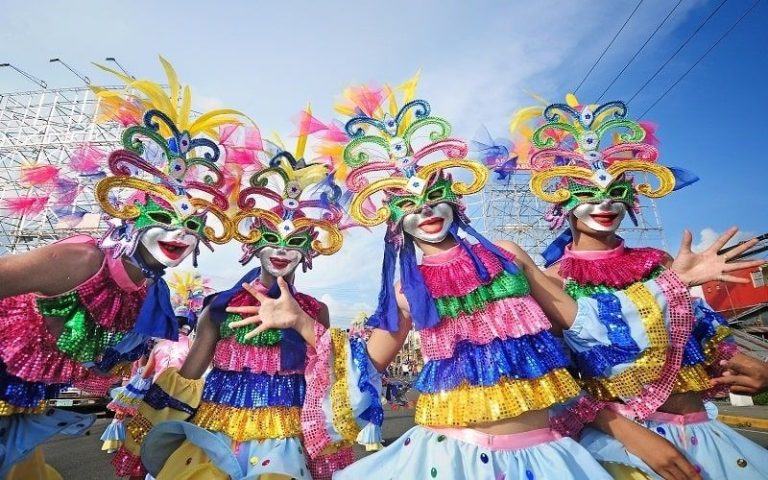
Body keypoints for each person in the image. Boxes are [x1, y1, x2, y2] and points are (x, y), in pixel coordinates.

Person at [234, 81, 748, 480]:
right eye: (408, 202)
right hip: (448, 457)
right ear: (393, 219)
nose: (425, 211)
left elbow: (585, 327)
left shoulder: (508, 257)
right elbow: (365, 363)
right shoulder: (405, 290)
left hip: (544, 454)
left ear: (454, 198)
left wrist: (670, 282)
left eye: (432, 195)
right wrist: (301, 324)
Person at [0, 58, 241, 479]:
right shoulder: (83, 260)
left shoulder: (150, 294)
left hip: (26, 408)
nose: (180, 234)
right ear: (132, 216)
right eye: (163, 218)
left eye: (192, 226)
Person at [510, 94, 768, 479]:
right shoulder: (554, 282)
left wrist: (749, 365)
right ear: (562, 201)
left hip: (702, 434)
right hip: (620, 447)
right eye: (588, 192)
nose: (605, 203)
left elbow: (696, 339)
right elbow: (557, 382)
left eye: (616, 191)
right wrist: (631, 435)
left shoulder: (658, 263)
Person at [112, 123, 360, 479]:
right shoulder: (219, 306)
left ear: (308, 251)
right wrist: (145, 415)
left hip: (286, 440)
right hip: (217, 434)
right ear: (253, 244)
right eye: (271, 239)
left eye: (294, 242)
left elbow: (331, 370)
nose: (281, 251)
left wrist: (300, 322)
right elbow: (189, 375)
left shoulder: (313, 309)